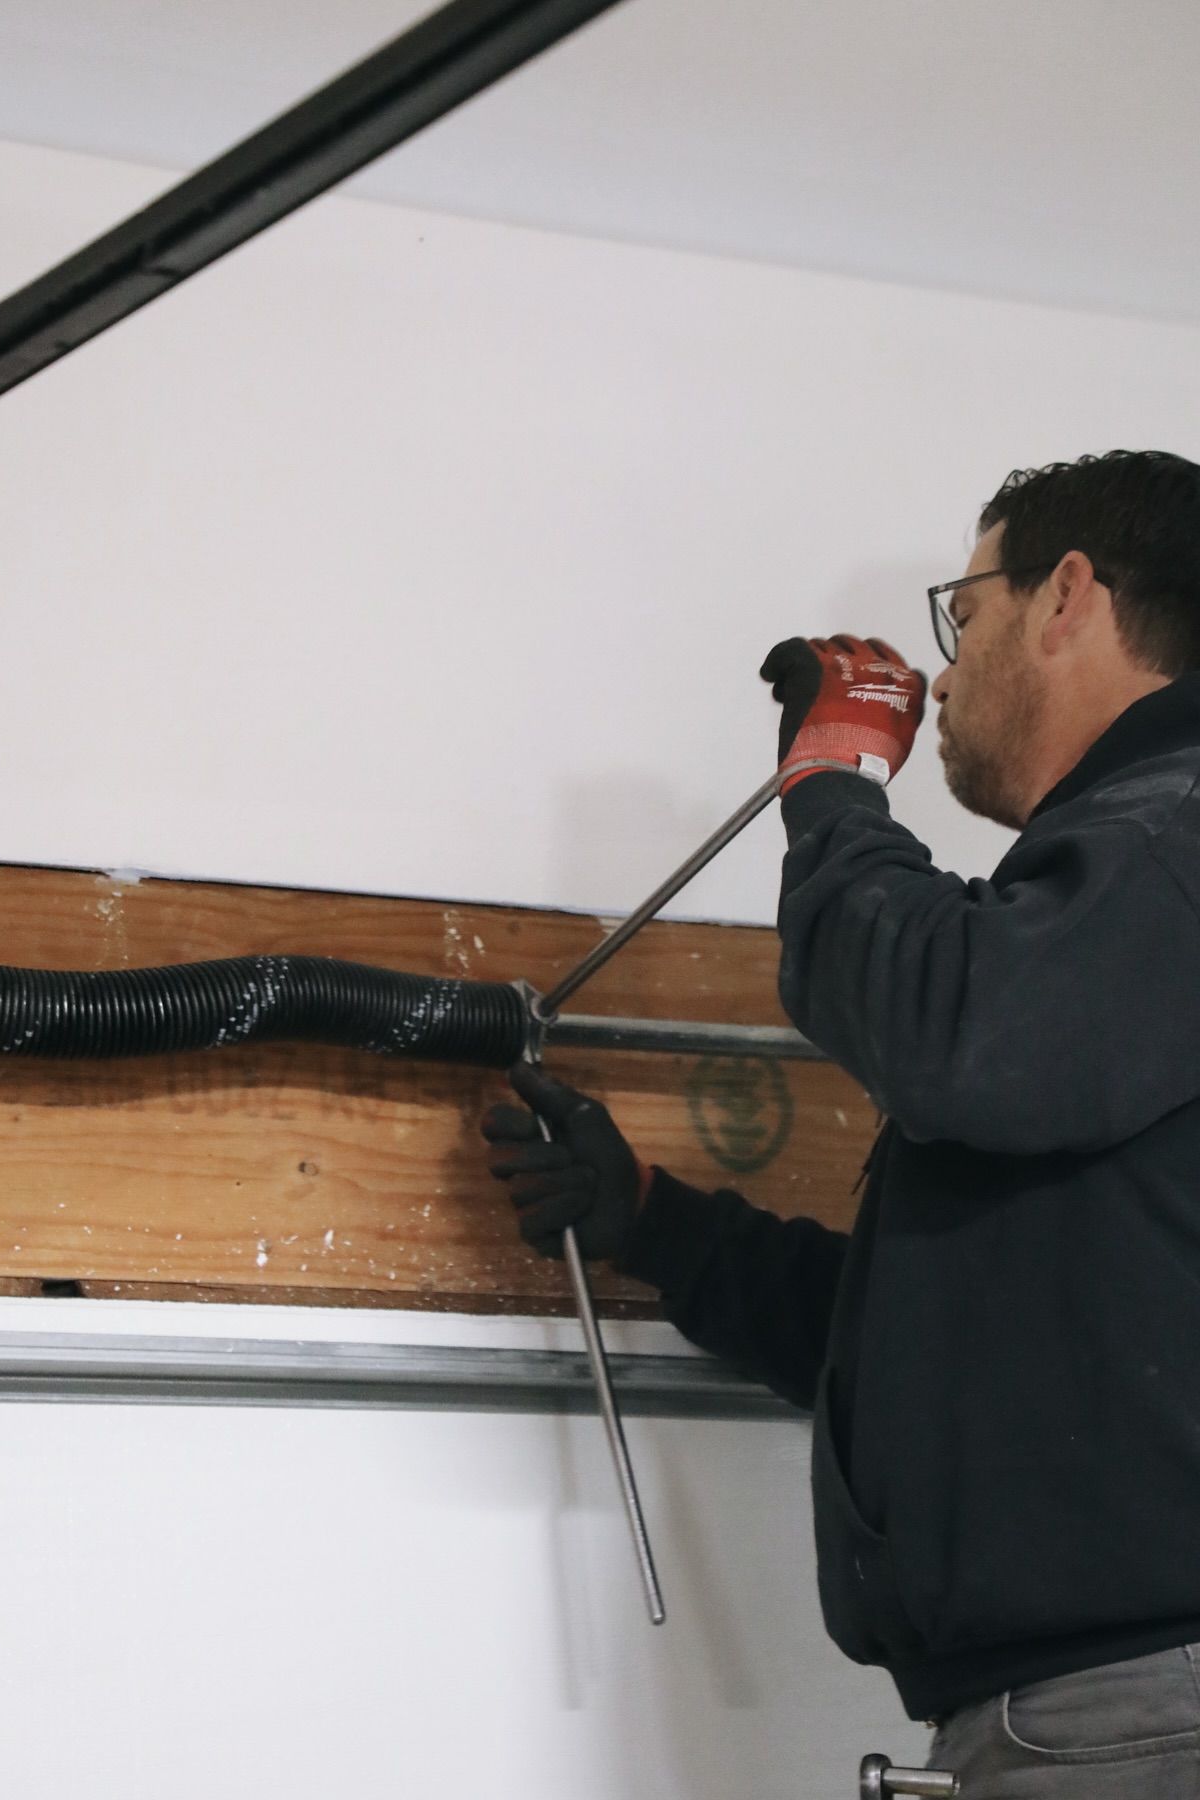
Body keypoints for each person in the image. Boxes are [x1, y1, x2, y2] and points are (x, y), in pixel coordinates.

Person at [482, 450, 1200, 1796]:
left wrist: (834, 785)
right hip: (1093, 1709)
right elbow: (946, 1352)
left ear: (1070, 598)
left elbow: (954, 1035)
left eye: (966, 614)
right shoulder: (1110, 926)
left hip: (1145, 1709)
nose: (944, 673)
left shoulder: (1179, 840)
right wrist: (650, 1218)